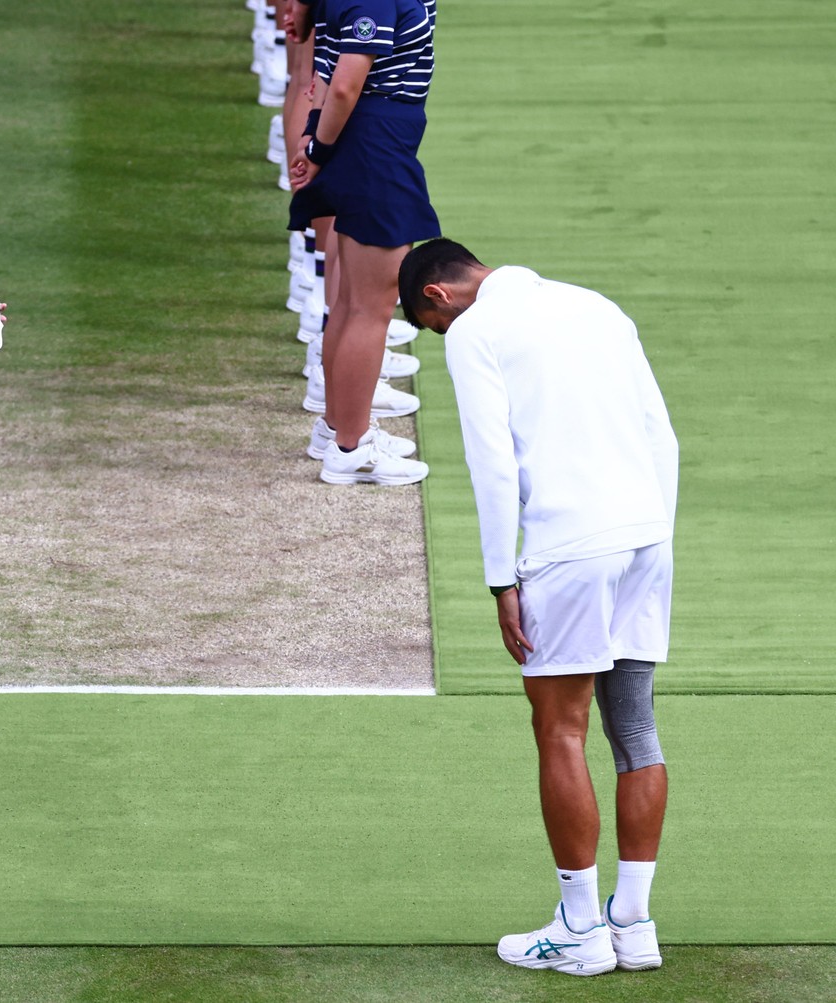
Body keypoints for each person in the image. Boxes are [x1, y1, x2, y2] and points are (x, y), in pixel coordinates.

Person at [399, 238, 678, 976]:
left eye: (434, 329)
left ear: (438, 297)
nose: (443, 338)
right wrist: (652, 539)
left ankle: (581, 929)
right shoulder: (598, 307)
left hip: (570, 548)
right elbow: (663, 437)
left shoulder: (475, 332)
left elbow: (493, 465)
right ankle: (635, 923)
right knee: (637, 731)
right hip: (648, 537)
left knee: (560, 729)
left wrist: (501, 581)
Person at [286, 0, 438, 486]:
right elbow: (344, 83)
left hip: (371, 140)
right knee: (369, 309)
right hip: (374, 147)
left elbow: (328, 74)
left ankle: (337, 428)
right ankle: (352, 448)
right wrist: (317, 149)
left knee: (351, 303)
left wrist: (316, 144)